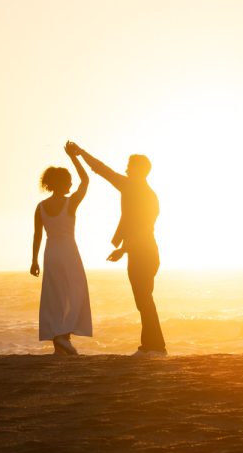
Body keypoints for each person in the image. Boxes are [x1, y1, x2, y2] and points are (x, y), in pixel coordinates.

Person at [66, 141, 165, 356]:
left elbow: (142, 229)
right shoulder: (143, 191)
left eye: (130, 166)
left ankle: (155, 347)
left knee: (144, 299)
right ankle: (151, 345)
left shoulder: (136, 189)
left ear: (139, 170)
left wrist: (123, 249)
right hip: (144, 251)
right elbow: (104, 171)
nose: (126, 169)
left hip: (143, 252)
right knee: (144, 300)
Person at [30, 143, 93, 355]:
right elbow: (85, 180)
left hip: (50, 253)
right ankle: (63, 336)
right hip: (68, 251)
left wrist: (34, 261)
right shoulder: (71, 203)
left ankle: (60, 344)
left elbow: (37, 235)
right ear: (61, 184)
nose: (71, 184)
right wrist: (74, 157)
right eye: (68, 181)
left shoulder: (40, 207)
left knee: (55, 296)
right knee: (74, 293)